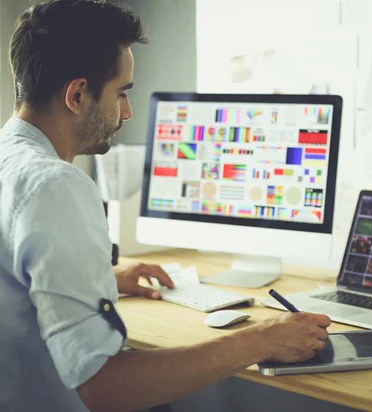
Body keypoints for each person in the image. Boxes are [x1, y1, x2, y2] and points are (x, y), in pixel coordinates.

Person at [0, 1, 331, 411]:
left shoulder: (9, 161)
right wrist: (262, 339)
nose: (127, 111)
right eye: (121, 92)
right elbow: (105, 388)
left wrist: (101, 276)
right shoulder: (56, 185)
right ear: (78, 95)